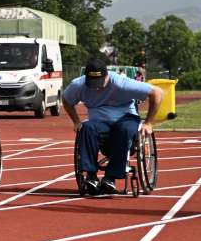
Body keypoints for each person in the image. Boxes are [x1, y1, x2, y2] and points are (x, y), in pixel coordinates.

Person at [63, 56, 163, 196]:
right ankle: (91, 176)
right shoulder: (78, 85)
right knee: (86, 128)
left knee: (124, 129)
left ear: (107, 76)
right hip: (99, 121)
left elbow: (157, 93)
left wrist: (148, 123)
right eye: (93, 83)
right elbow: (66, 100)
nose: (96, 86)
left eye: (99, 82)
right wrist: (76, 121)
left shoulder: (121, 83)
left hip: (125, 117)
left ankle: (110, 177)